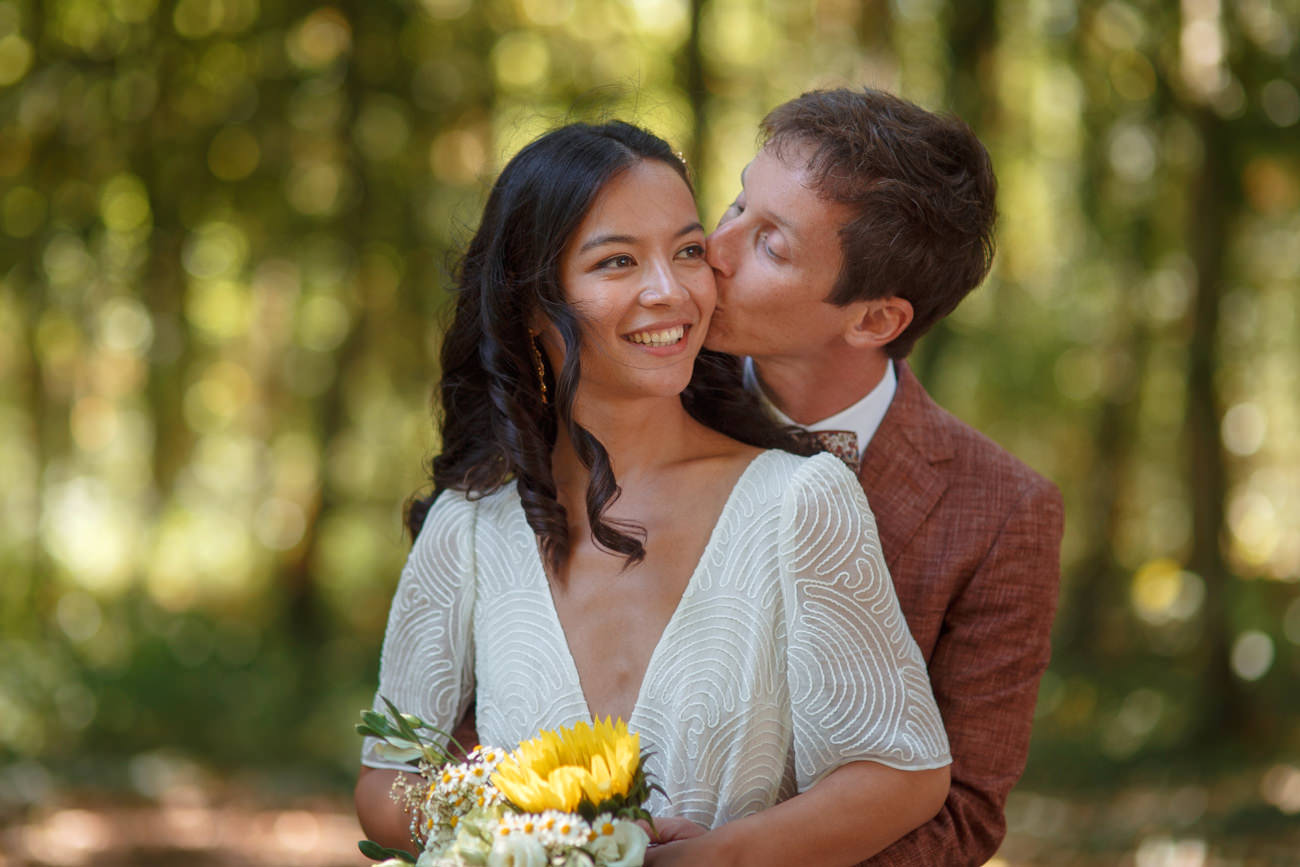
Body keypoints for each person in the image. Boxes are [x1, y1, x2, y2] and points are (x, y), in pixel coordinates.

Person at [355, 120, 952, 865]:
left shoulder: (801, 502)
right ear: (534, 304)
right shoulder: (470, 527)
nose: (669, 291)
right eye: (616, 262)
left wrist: (709, 859)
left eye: (689, 251)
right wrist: (525, 845)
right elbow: (386, 781)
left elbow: (903, 773)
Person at [700, 87, 1065, 866]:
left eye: (770, 244)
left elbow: (963, 815)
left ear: (873, 320)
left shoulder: (1006, 513)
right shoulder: (642, 401)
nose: (714, 250)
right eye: (735, 205)